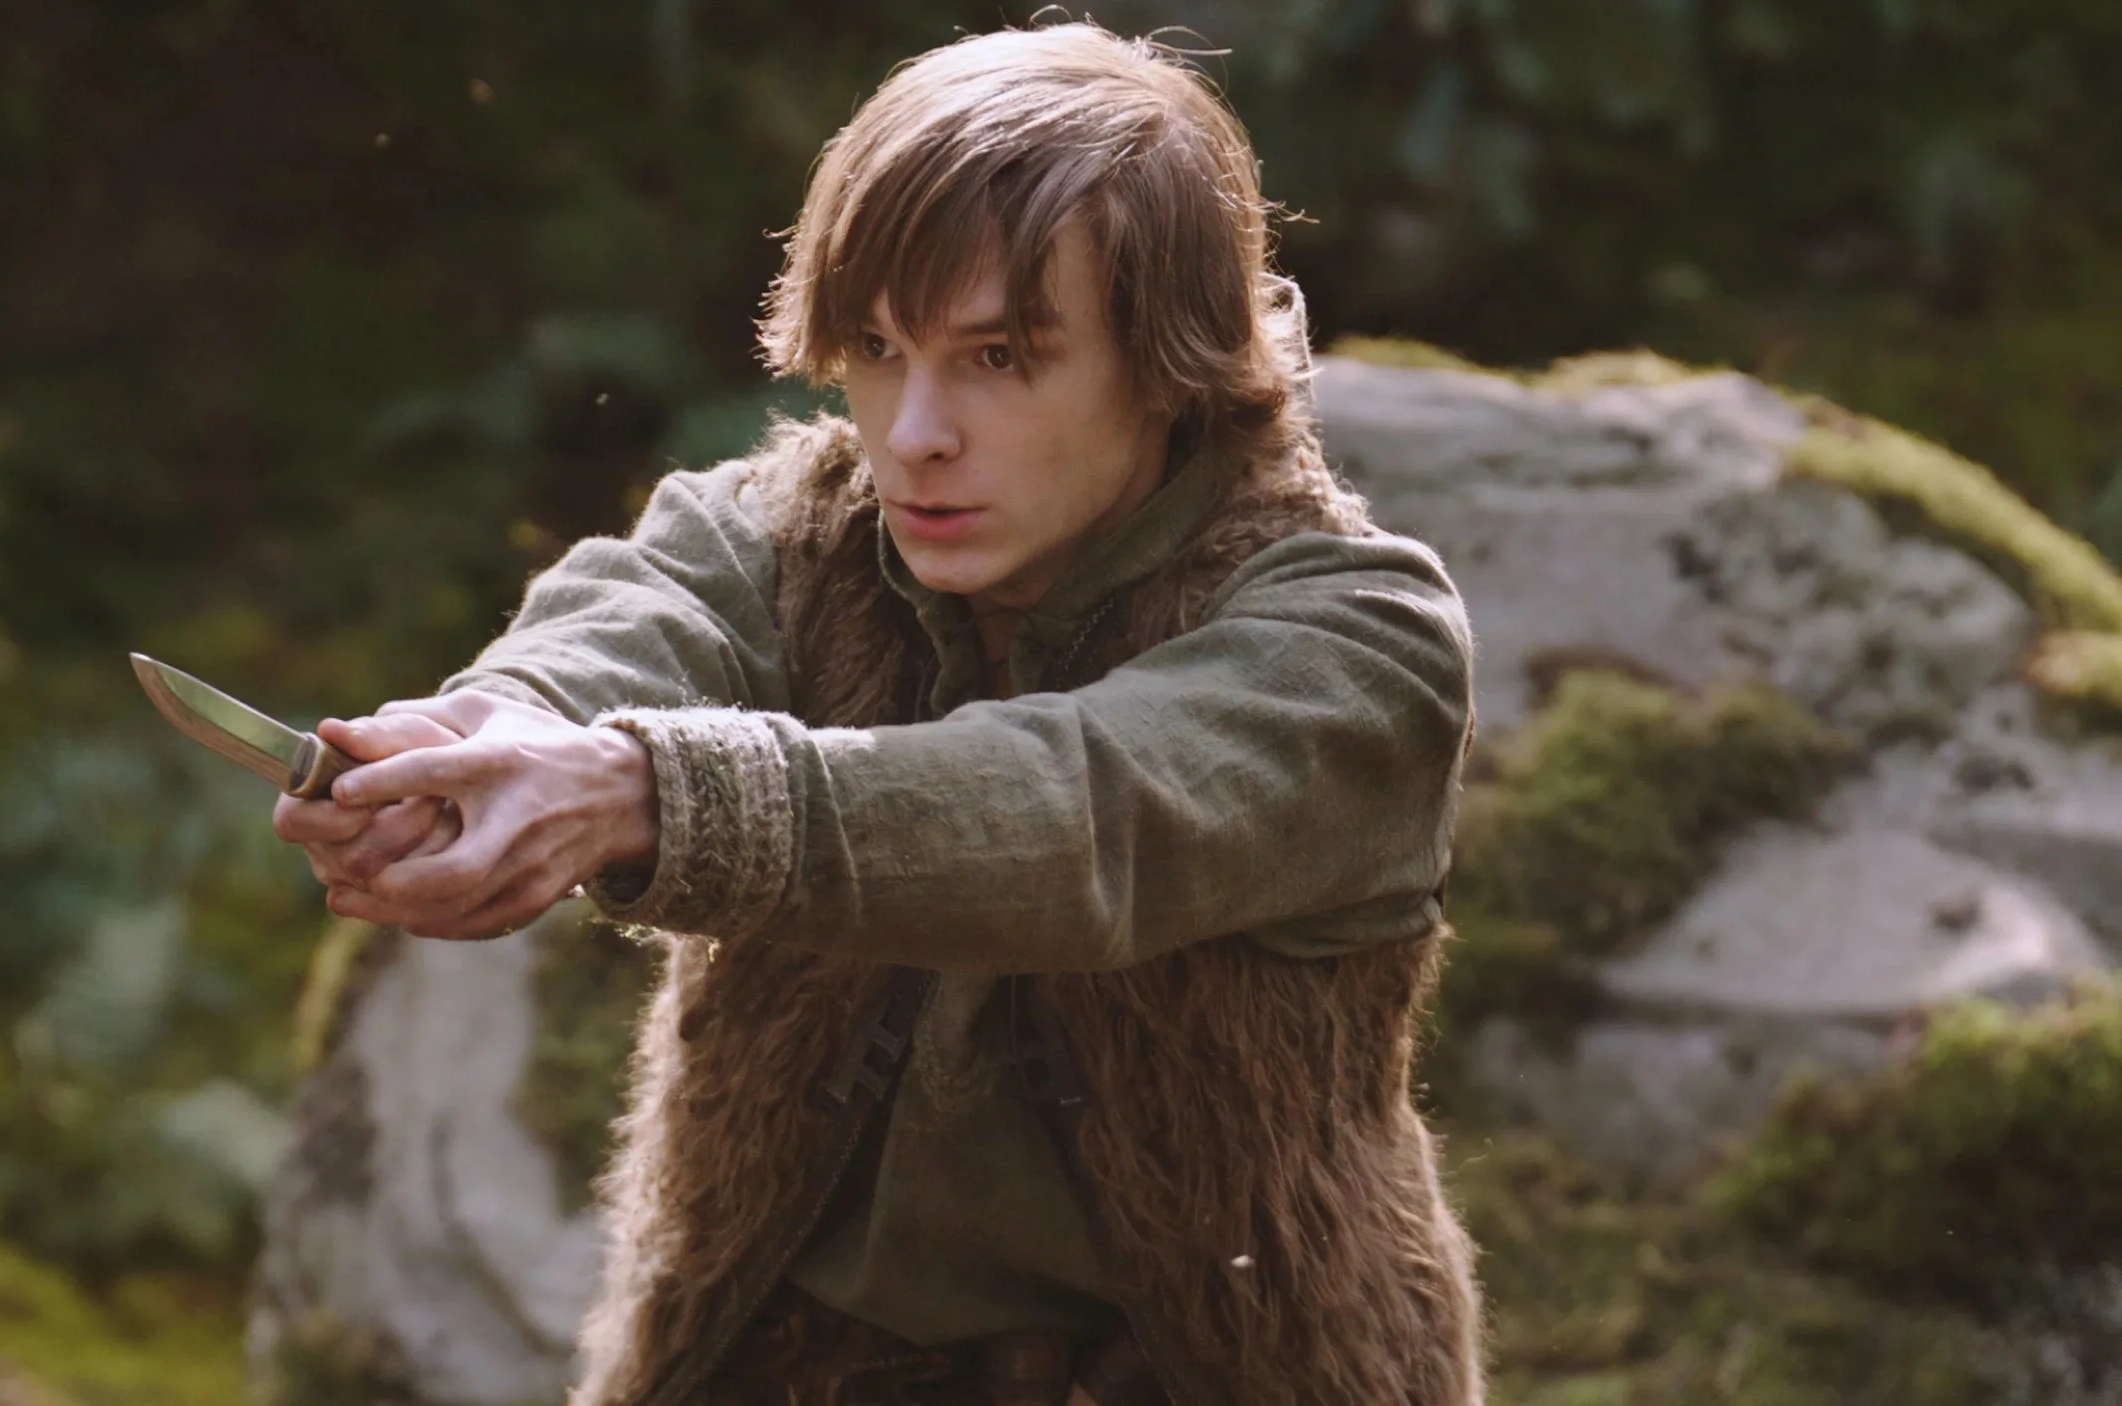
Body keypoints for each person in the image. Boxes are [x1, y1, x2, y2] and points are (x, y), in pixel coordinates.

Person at [274, 21, 1484, 1406]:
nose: (914, 432)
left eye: (999, 357)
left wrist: (651, 794)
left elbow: (1075, 817)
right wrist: (482, 741)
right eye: (876, 347)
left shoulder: (1358, 641)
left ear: (1167, 362)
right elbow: (626, 623)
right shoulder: (786, 534)